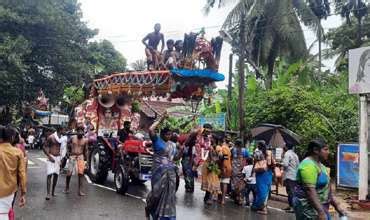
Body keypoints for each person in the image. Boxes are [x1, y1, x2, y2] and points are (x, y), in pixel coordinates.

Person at [293, 139, 346, 220]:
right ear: (316, 150)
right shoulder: (308, 166)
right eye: (325, 149)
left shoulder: (321, 166)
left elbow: (326, 190)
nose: (328, 152)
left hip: (320, 207)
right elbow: (310, 191)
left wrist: (336, 205)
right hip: (309, 209)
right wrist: (320, 212)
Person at [145, 113, 177, 220]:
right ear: (162, 134)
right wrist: (161, 119)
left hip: (170, 173)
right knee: (156, 194)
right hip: (158, 172)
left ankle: (164, 217)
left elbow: (175, 158)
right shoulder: (156, 140)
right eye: (167, 134)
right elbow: (150, 130)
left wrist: (181, 152)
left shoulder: (172, 145)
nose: (169, 136)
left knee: (169, 195)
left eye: (170, 134)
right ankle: (148, 208)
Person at [0, 126, 26, 220]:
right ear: (11, 138)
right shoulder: (18, 152)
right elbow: (22, 174)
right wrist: (23, 193)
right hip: (9, 192)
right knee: (4, 214)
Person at [251, 141, 275, 215]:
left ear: (259, 146)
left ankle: (262, 208)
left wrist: (252, 172)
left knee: (261, 190)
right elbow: (272, 163)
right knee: (266, 190)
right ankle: (262, 206)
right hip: (268, 173)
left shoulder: (257, 153)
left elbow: (254, 163)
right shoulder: (270, 153)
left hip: (261, 173)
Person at [65, 126, 88, 196]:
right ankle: (67, 187)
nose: (80, 132)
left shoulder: (85, 140)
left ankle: (80, 190)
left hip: (80, 156)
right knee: (69, 173)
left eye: (81, 131)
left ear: (83, 132)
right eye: (79, 131)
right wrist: (67, 152)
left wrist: (87, 161)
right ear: (77, 131)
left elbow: (86, 150)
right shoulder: (72, 138)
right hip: (72, 156)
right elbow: (67, 144)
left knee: (81, 174)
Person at [43, 126, 63, 200]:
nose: (64, 131)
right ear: (60, 130)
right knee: (49, 175)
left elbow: (63, 149)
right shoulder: (51, 137)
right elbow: (44, 147)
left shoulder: (62, 138)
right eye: (63, 130)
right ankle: (48, 194)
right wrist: (49, 156)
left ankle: (53, 192)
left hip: (58, 158)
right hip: (51, 157)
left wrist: (62, 159)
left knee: (56, 175)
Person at [201, 135, 222, 205]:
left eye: (212, 138)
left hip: (212, 167)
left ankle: (209, 198)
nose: (210, 139)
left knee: (211, 182)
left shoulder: (217, 147)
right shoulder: (211, 146)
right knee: (208, 181)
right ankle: (207, 197)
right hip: (208, 166)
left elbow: (221, 156)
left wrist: (215, 160)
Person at [231, 139, 250, 205]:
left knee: (234, 184)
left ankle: (236, 197)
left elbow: (231, 159)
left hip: (234, 170)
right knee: (241, 185)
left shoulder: (233, 150)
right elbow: (248, 159)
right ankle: (240, 198)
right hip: (242, 170)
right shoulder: (245, 151)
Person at [281, 143, 299, 212]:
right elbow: (298, 165)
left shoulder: (287, 154)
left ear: (286, 147)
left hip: (289, 175)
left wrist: (279, 163)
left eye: (284, 146)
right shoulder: (295, 154)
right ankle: (291, 205)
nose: (283, 147)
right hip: (295, 176)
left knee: (290, 192)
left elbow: (285, 164)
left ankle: (292, 207)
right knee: (292, 191)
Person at [216, 135, 232, 205]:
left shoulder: (222, 148)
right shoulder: (228, 148)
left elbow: (222, 157)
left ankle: (220, 199)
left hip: (223, 167)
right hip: (228, 167)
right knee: (225, 183)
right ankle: (223, 200)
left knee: (220, 183)